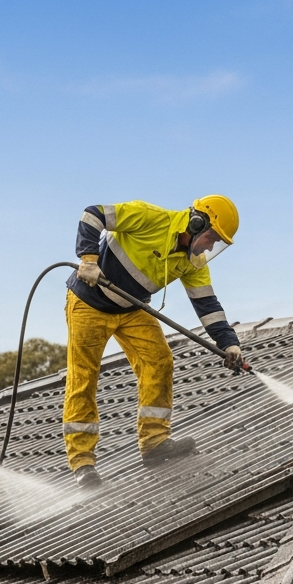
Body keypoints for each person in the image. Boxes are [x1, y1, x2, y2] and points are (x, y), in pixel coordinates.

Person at [65, 196, 245, 488]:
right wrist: (88, 259)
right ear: (197, 222)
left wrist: (229, 343)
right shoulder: (149, 217)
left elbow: (207, 304)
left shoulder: (193, 261)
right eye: (212, 238)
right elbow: (92, 215)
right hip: (89, 304)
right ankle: (83, 462)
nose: (211, 246)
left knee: (159, 362)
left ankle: (154, 442)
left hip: (131, 308)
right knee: (84, 377)